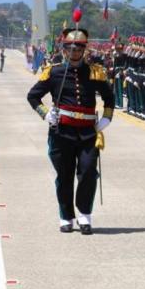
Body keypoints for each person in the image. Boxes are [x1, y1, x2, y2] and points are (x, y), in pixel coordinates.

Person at [26, 28, 114, 234]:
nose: (74, 51)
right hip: (62, 132)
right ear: (64, 49)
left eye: (78, 48)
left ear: (84, 49)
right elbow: (33, 96)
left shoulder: (95, 72)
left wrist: (106, 119)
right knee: (64, 176)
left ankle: (84, 214)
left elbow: (110, 98)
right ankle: (66, 216)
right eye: (70, 48)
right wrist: (46, 114)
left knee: (88, 173)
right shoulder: (54, 71)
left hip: (88, 133)